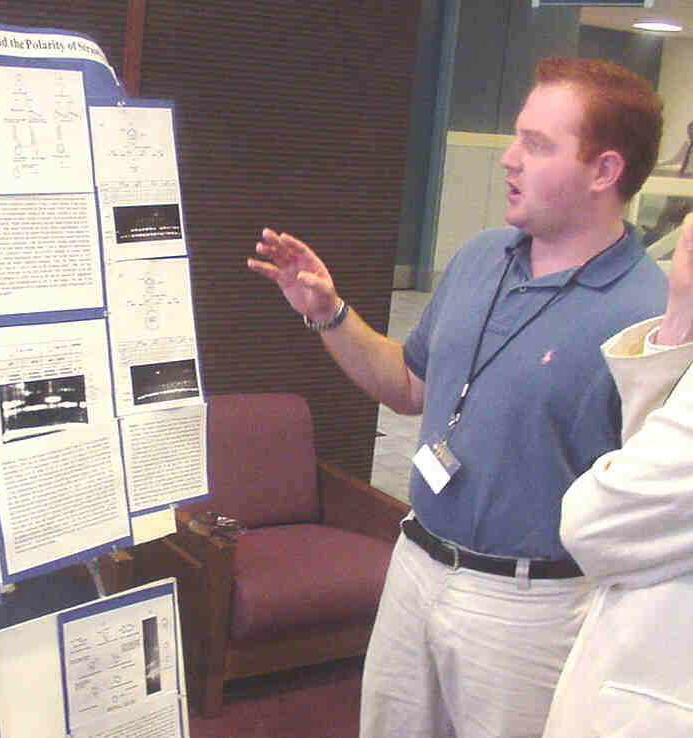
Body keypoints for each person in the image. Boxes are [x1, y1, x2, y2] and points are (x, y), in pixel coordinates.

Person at [247, 57, 669, 737]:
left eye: (537, 144)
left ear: (605, 171)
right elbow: (409, 386)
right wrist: (328, 314)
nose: (509, 158)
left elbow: (651, 511)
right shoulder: (483, 257)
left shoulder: (650, 316)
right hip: (415, 562)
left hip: (531, 607)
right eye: (517, 136)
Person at [542, 215, 693, 737]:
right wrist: (679, 324)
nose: (511, 167)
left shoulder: (634, 293)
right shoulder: (482, 260)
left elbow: (595, 525)